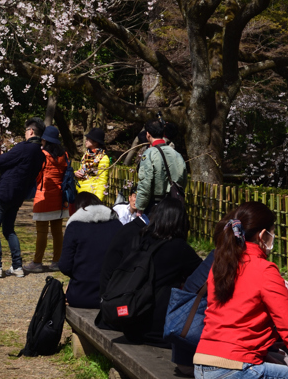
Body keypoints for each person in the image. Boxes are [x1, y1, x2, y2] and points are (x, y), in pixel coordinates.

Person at [193, 202, 288, 379]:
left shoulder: (220, 265)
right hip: (235, 373)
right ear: (262, 234)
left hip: (202, 369)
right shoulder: (264, 270)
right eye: (272, 233)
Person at [100, 195, 202, 344]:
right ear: (181, 221)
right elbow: (205, 275)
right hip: (157, 330)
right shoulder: (179, 248)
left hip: (130, 322)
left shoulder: (140, 237)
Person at [0, 117, 46, 278]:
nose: (25, 134)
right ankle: (17, 265)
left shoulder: (24, 148)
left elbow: (1, 162)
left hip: (3, 192)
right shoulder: (40, 154)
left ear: (31, 131)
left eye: (26, 131)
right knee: (9, 229)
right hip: (18, 195)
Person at [59, 191, 121, 308]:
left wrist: (80, 272)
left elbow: (64, 265)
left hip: (81, 294)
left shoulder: (74, 227)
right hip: (112, 294)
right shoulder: (117, 225)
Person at [24, 126, 69, 273]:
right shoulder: (64, 155)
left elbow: (36, 174)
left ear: (45, 140)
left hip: (43, 196)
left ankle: (37, 262)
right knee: (57, 232)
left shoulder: (42, 155)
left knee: (42, 232)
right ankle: (57, 261)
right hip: (59, 197)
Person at [136, 119, 187, 218]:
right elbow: (183, 181)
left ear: (148, 134)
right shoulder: (176, 154)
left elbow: (145, 183)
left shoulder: (149, 154)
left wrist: (140, 207)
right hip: (174, 205)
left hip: (156, 206)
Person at [75, 129, 110, 202]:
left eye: (88, 139)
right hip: (79, 192)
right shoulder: (86, 155)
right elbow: (81, 170)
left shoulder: (103, 158)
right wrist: (75, 173)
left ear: (95, 142)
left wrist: (97, 200)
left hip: (91, 195)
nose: (86, 140)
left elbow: (102, 182)